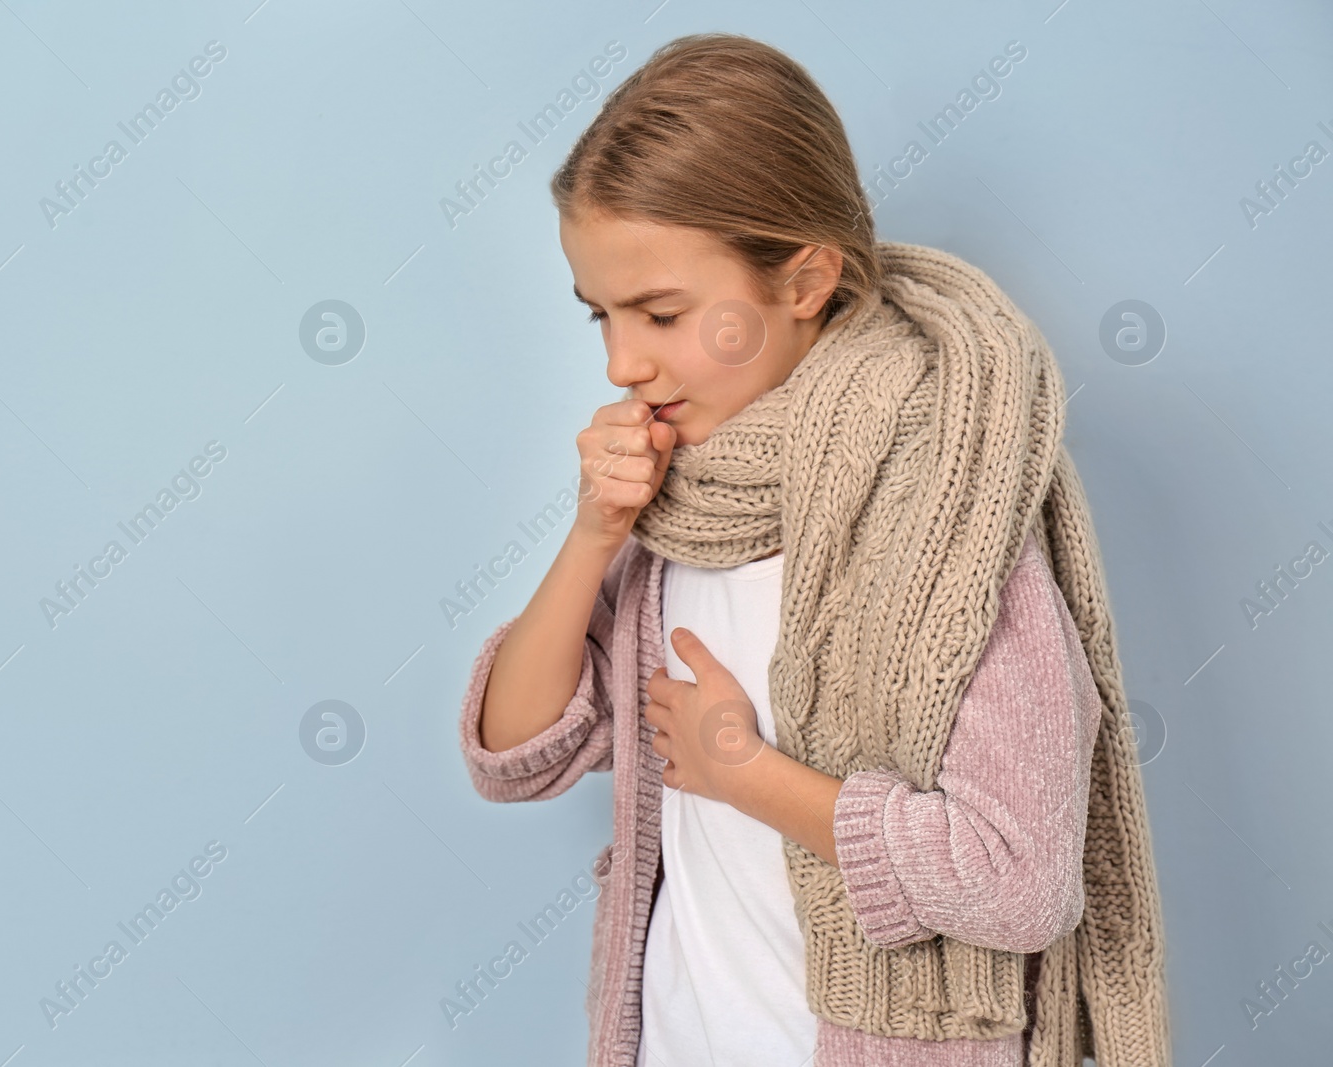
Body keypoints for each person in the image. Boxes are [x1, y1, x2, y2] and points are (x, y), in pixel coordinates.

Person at [456, 32, 1170, 1067]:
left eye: (661, 312)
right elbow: (514, 756)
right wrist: (592, 533)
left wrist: (743, 769)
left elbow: (1020, 880)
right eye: (600, 316)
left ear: (804, 280)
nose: (622, 361)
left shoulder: (947, 521)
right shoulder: (679, 511)